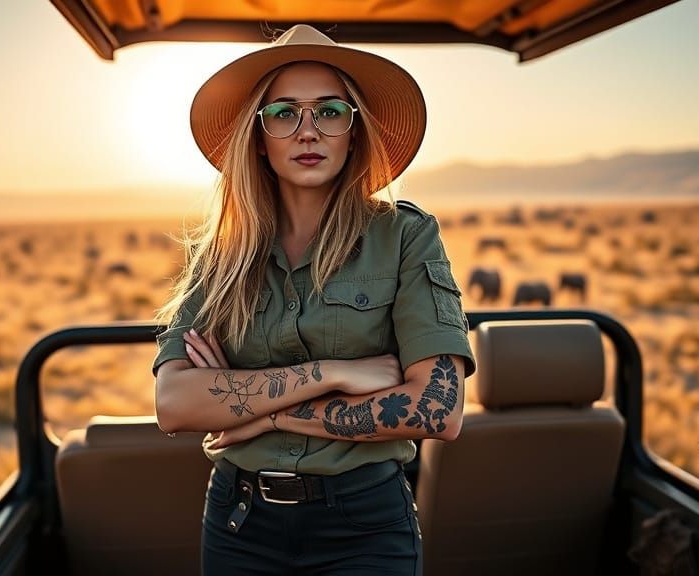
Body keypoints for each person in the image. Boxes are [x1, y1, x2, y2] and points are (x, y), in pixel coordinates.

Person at [151, 24, 476, 576]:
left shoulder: (404, 237)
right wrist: (333, 372)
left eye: (330, 112)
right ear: (258, 136)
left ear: (355, 131)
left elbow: (438, 409)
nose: (308, 131)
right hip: (238, 522)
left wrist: (257, 415)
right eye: (284, 114)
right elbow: (175, 404)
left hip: (366, 527)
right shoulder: (222, 255)